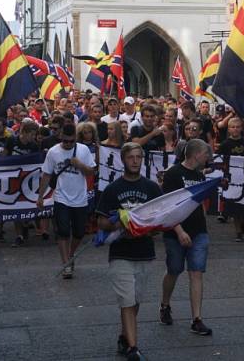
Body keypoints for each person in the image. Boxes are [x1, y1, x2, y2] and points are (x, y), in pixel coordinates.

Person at [96, 143, 163, 361]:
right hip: (120, 252)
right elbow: (101, 221)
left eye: (138, 157)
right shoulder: (112, 189)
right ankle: (133, 349)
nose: (135, 161)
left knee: (135, 301)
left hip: (144, 252)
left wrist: (148, 228)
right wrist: (118, 223)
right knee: (126, 300)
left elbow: (160, 220)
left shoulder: (152, 188)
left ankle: (125, 337)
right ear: (123, 160)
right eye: (131, 157)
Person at [158, 139, 213, 336]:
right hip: (176, 232)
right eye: (206, 154)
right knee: (174, 270)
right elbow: (167, 206)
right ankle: (165, 304)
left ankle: (196, 318)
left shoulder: (198, 175)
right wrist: (180, 231)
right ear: (197, 154)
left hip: (198, 231)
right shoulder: (173, 174)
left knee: (196, 272)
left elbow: (198, 204)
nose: (208, 158)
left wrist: (204, 226)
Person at [36, 123, 97, 279]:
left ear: (75, 139)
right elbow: (46, 174)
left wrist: (80, 165)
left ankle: (71, 254)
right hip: (61, 197)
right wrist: (40, 196)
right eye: (65, 141)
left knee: (79, 232)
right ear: (61, 138)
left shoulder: (83, 150)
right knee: (62, 231)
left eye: (71, 141)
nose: (68, 144)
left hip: (80, 198)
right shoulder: (53, 152)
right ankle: (66, 263)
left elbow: (92, 171)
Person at [217, 117, 244, 241]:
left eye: (238, 127)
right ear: (229, 129)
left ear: (241, 129)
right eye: (233, 127)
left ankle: (242, 222)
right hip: (232, 179)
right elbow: (220, 161)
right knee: (234, 206)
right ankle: (238, 231)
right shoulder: (225, 144)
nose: (235, 129)